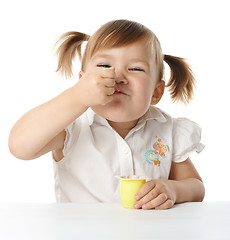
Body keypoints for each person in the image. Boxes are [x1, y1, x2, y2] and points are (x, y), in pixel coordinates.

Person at [8, 19, 205, 210]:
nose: (117, 76)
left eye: (135, 68)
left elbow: (196, 187)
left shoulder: (167, 129)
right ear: (83, 80)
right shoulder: (71, 125)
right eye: (104, 66)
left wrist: (174, 189)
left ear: (156, 92)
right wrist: (76, 96)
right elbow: (20, 146)